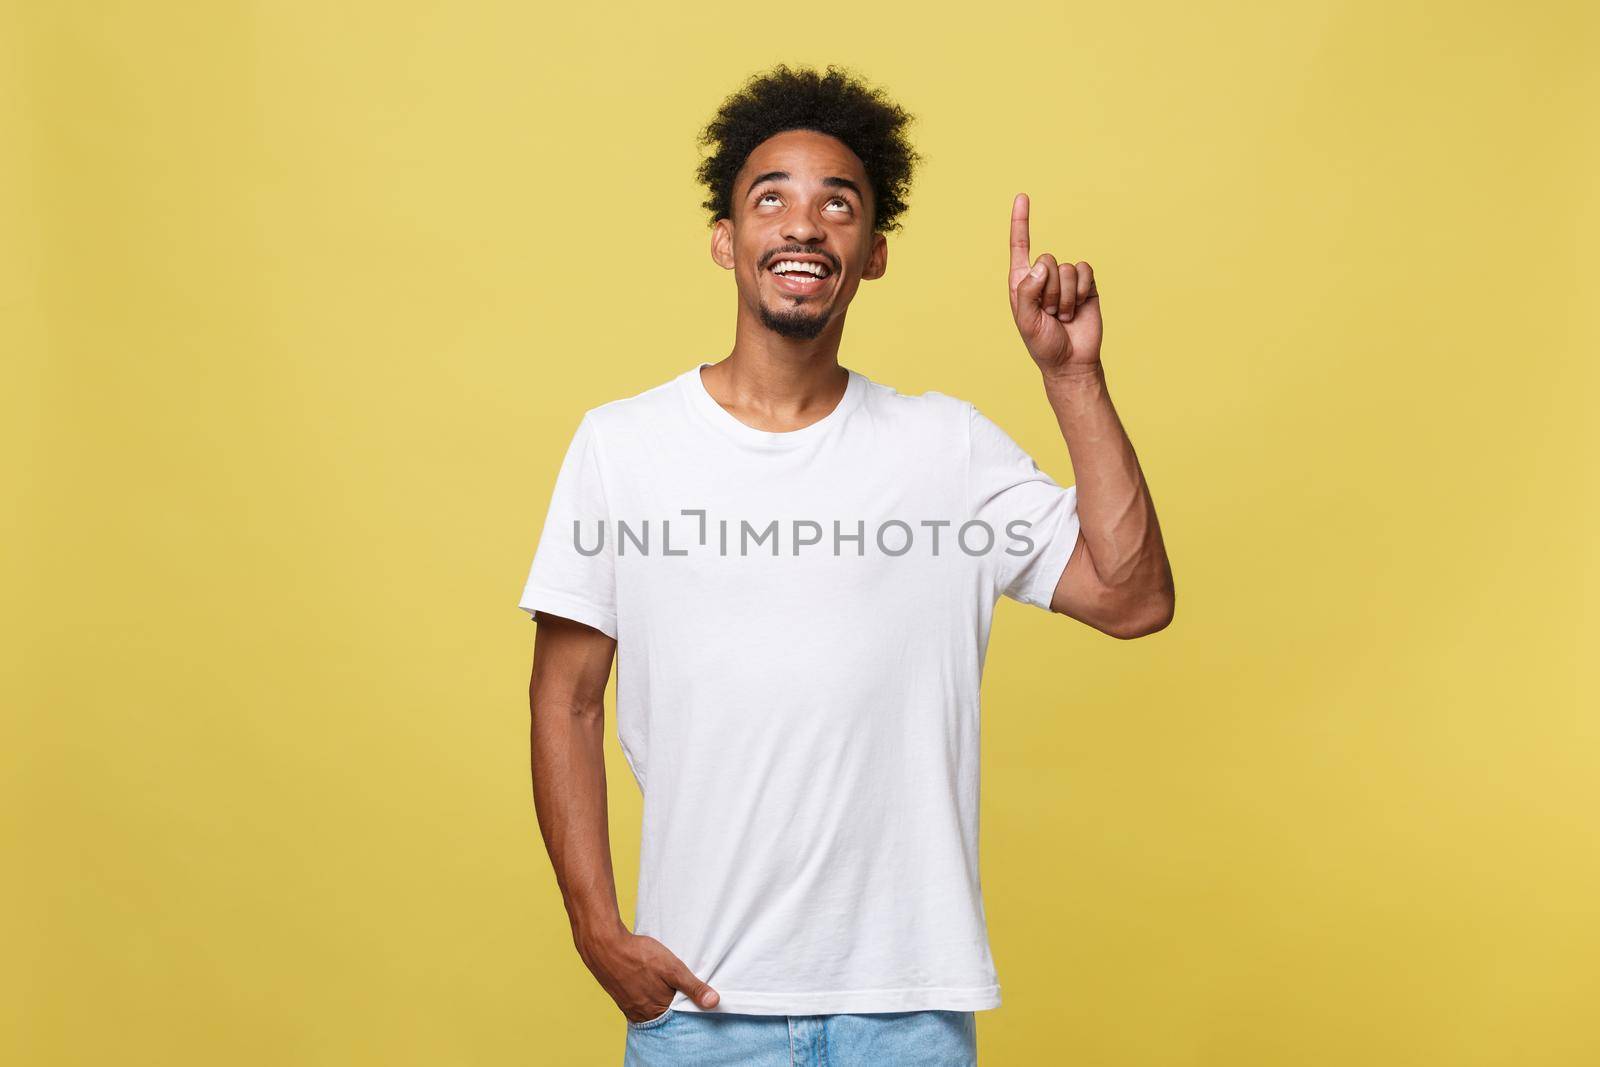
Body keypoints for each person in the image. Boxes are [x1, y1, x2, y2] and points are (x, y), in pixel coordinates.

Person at [519, 63, 1174, 1066]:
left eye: (839, 203)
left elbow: (1131, 597)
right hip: (698, 1006)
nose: (802, 223)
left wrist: (1072, 376)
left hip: (904, 1008)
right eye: (768, 196)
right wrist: (595, 929)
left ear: (870, 253)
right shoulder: (623, 445)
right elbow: (565, 699)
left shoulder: (945, 449)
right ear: (724, 239)